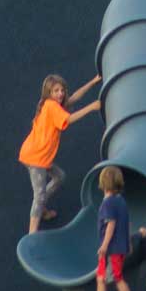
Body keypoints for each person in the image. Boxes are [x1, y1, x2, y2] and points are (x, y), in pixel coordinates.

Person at [17, 73, 101, 235]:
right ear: (49, 93)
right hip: (35, 158)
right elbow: (68, 120)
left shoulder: (54, 104)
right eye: (56, 91)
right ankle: (32, 234)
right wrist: (91, 107)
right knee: (39, 194)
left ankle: (41, 208)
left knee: (59, 177)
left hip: (40, 156)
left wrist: (93, 81)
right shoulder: (51, 106)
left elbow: (74, 97)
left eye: (62, 90)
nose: (60, 93)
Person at [82, 165, 140, 291]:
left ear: (103, 183)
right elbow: (126, 223)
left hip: (111, 249)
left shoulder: (108, 203)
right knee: (101, 277)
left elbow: (111, 224)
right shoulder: (120, 200)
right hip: (116, 247)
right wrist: (128, 242)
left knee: (117, 277)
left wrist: (104, 246)